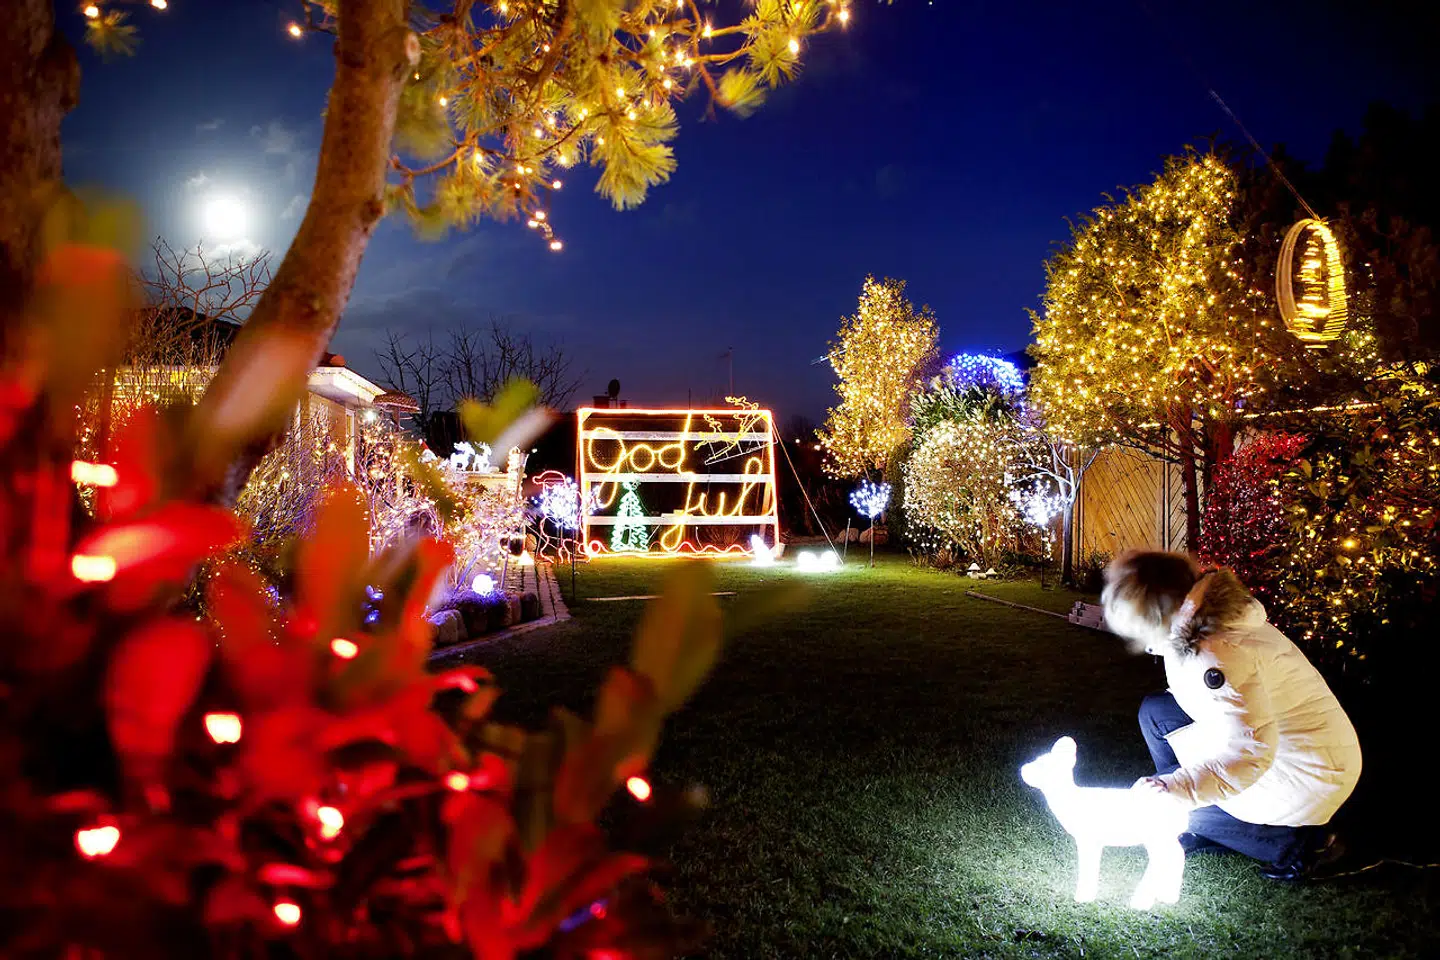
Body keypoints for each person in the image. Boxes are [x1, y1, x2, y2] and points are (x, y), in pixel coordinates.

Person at [1100, 550, 1362, 881]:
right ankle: (1213, 823)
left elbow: (1251, 753)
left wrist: (1176, 788)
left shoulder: (1215, 652)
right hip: (1291, 744)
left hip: (1308, 772)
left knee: (1174, 808)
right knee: (1157, 713)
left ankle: (1307, 846)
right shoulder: (1203, 618)